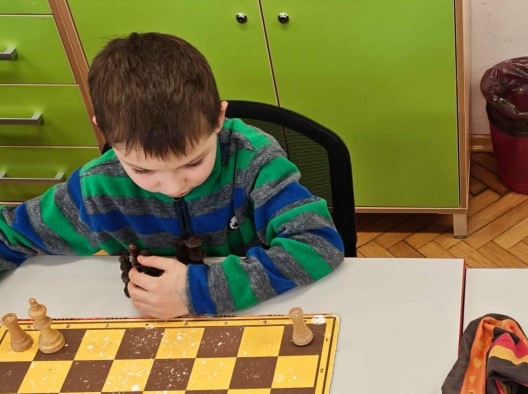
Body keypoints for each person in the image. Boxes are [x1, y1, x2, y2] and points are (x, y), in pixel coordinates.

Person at [0, 33, 345, 317]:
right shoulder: (97, 186)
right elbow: (10, 234)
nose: (173, 186)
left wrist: (198, 291)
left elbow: (319, 243)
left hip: (257, 315)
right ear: (104, 131)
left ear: (218, 118)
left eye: (193, 163)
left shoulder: (253, 161)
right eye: (142, 170)